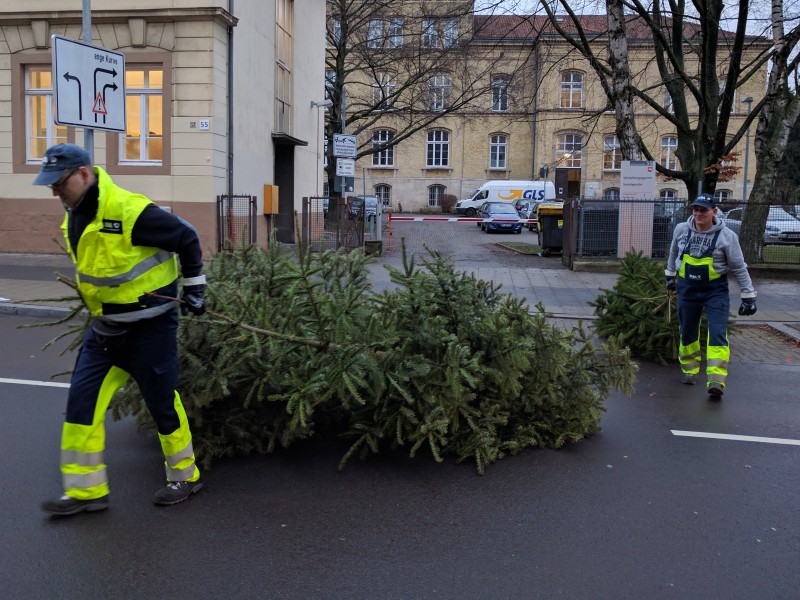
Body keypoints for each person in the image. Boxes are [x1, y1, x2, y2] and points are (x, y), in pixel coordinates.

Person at [34, 143, 207, 516]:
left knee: (162, 403)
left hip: (152, 329)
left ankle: (185, 475)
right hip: (106, 330)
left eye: (60, 184)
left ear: (84, 174)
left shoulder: (130, 211)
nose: (55, 193)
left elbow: (187, 237)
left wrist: (195, 288)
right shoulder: (74, 214)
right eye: (51, 186)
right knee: (82, 402)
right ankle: (86, 491)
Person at [665, 193, 757, 399]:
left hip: (715, 292)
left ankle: (716, 380)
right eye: (695, 210)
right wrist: (670, 276)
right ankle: (689, 372)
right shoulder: (681, 230)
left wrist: (748, 295)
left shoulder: (727, 236)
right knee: (687, 331)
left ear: (714, 212)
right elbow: (672, 254)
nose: (698, 214)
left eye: (703, 210)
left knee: (717, 333)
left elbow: (739, 267)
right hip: (687, 290)